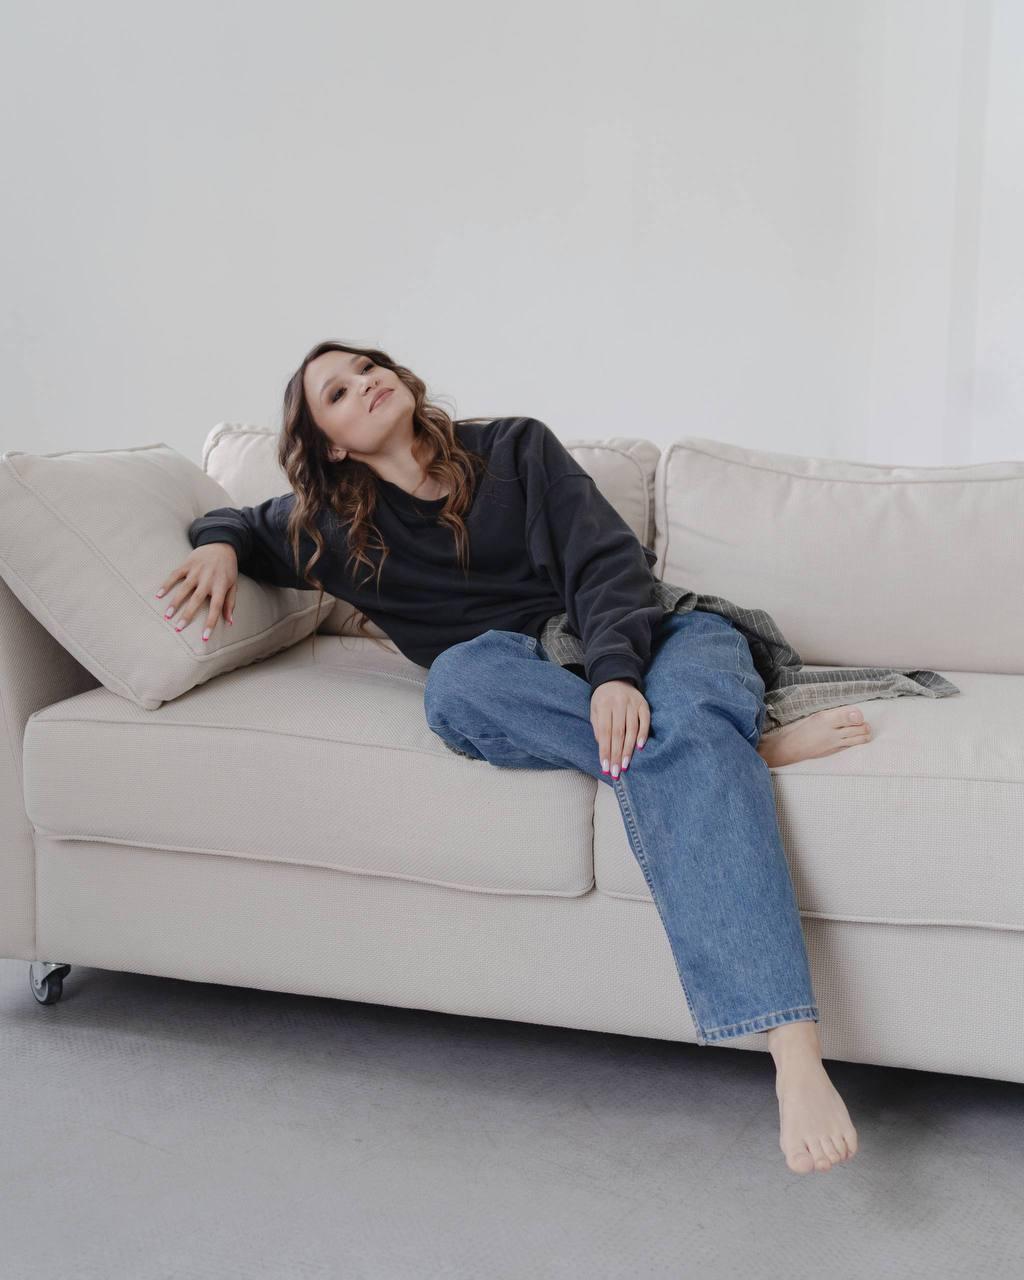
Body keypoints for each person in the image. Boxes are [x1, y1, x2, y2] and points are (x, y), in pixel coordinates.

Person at [156, 340, 860, 1175]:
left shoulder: (516, 448)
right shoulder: (332, 529)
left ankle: (794, 1055)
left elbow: (605, 564)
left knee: (691, 685)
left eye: (368, 368)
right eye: (337, 393)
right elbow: (242, 523)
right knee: (457, 685)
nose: (365, 384)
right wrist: (218, 544)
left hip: (650, 633)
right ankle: (722, 751)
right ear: (332, 446)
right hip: (526, 678)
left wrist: (615, 675)